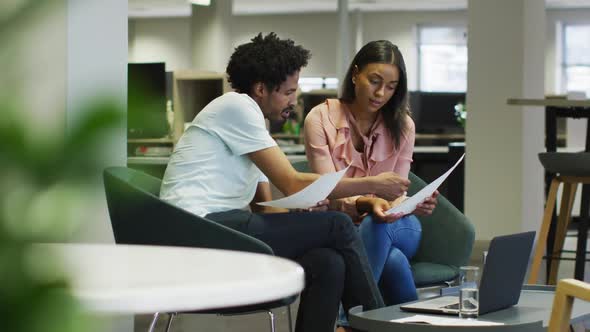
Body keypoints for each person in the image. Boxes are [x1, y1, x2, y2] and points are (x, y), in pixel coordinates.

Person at [159, 33, 411, 332]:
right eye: (288, 92)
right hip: (195, 230)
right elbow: (291, 183)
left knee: (328, 261)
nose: (294, 100)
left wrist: (303, 223)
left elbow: (266, 209)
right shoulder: (235, 107)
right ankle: (374, 325)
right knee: (338, 225)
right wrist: (374, 184)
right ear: (261, 89)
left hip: (220, 228)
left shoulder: (253, 129)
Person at [303, 40, 439, 330]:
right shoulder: (320, 119)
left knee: (379, 223)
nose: (381, 93)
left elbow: (398, 194)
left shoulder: (404, 125)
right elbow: (328, 191)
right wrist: (367, 199)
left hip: (396, 223)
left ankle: (345, 323)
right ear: (355, 74)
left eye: (391, 86)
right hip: (341, 226)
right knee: (394, 263)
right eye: (374, 81)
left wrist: (417, 203)